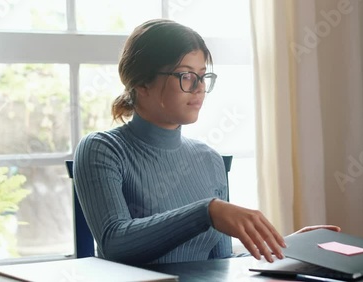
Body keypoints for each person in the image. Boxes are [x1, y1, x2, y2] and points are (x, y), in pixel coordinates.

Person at [73, 19, 339, 265]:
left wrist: (286, 246)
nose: (199, 87)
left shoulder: (209, 159)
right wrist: (206, 212)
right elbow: (115, 243)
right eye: (185, 76)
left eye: (202, 76)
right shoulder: (101, 149)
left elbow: (221, 264)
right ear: (142, 82)